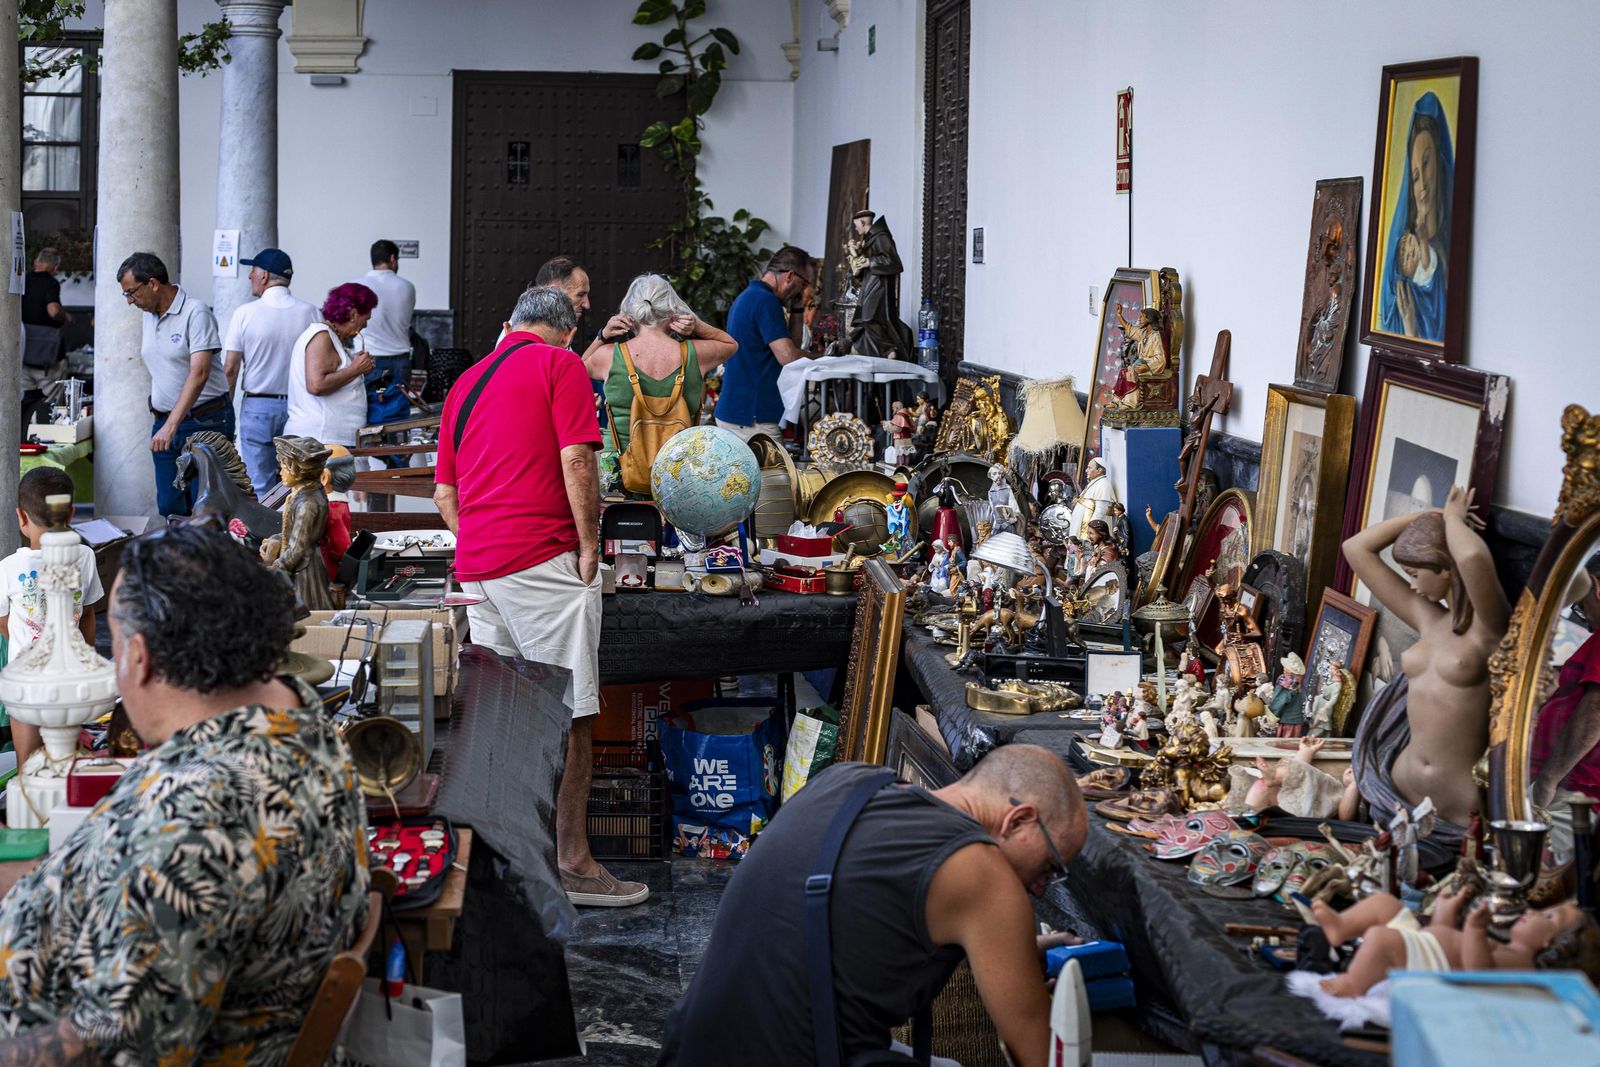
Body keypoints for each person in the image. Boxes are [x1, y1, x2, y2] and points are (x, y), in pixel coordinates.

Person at [0, 524, 368, 1063]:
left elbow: (116, 1046)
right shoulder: (295, 718)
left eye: (116, 645)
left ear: (141, 657)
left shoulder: (195, 824)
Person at [659, 746, 1087, 1067]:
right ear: (1018, 820)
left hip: (689, 1048)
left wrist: (1017, 952)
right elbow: (1040, 1055)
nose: (1040, 889)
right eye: (1050, 866)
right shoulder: (983, 873)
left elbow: (859, 932)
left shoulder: (846, 780)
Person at [434, 285, 647, 908]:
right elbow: (578, 460)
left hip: (478, 567)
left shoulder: (467, 381)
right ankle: (574, 864)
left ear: (512, 323)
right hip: (542, 560)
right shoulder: (561, 365)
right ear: (566, 332)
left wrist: (484, 541)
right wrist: (588, 545)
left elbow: (445, 495)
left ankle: (509, 863)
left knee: (505, 713)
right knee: (574, 710)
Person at [1344, 487, 1508, 841]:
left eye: (1415, 574)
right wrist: (1428, 515)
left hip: (1458, 808)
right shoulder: (1429, 620)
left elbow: (1475, 561)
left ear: (1447, 569)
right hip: (1396, 791)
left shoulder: (1490, 630)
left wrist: (1451, 520)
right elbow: (1356, 549)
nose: (1412, 586)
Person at [0, 467, 101, 770]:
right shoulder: (84, 556)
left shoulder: (8, 568)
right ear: (70, 515)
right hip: (70, 679)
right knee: (65, 765)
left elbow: (2, 621)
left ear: (21, 517)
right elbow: (88, 615)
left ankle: (27, 813)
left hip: (26, 684)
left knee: (27, 769)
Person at [118, 251, 232, 518]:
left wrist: (172, 425)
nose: (130, 301)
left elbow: (200, 372)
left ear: (153, 283)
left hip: (205, 419)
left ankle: (208, 559)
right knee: (170, 504)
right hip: (164, 421)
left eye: (132, 293)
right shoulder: (149, 314)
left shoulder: (196, 312)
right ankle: (179, 558)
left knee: (205, 506)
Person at [581, 273, 736, 459]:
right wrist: (696, 326)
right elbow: (730, 344)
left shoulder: (609, 356)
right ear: (673, 312)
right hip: (677, 470)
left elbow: (579, 367)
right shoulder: (696, 354)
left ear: (630, 313)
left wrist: (603, 336)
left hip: (619, 468)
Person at [221, 247, 321, 492]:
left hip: (258, 408)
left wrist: (227, 412)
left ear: (264, 275)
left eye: (252, 271)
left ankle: (267, 530)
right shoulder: (310, 313)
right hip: (299, 408)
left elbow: (231, 369)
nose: (249, 277)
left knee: (260, 484)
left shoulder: (245, 313)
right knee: (298, 483)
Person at [713, 246, 815, 442]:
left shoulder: (751, 296)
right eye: (804, 284)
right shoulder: (765, 301)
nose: (803, 291)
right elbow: (788, 357)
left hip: (740, 413)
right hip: (752, 419)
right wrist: (822, 358)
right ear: (790, 276)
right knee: (770, 473)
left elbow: (791, 346)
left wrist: (797, 308)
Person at [1378, 92, 1454, 343]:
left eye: (1427, 162)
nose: (1422, 186)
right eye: (1415, 175)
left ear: (1440, 163)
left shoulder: (1446, 252)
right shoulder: (1401, 249)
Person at [1530, 554, 1600, 807]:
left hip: (1573, 790)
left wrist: (1549, 779)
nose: (1589, 624)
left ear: (1597, 588)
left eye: (1581, 607)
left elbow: (1596, 708)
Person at [285, 283, 378, 448]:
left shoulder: (331, 337)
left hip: (329, 440)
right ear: (354, 314)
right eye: (366, 320)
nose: (365, 326)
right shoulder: (322, 336)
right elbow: (316, 385)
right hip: (323, 440)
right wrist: (356, 369)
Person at [354, 239, 417, 389]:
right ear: (393, 259)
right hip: (400, 359)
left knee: (371, 407)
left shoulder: (356, 286)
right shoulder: (407, 287)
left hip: (367, 359)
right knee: (399, 408)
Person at [20, 247, 70, 434]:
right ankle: (48, 440)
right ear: (55, 267)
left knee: (26, 403)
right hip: (48, 358)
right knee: (50, 406)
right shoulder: (50, 283)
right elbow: (54, 311)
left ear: (36, 263)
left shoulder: (22, 280)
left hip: (24, 354)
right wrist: (66, 318)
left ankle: (25, 438)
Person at [1071, 458, 1116, 538]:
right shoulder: (1094, 482)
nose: (1086, 470)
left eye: (1089, 468)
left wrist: (1091, 532)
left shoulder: (1103, 485)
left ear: (1099, 470)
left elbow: (1100, 512)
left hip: (1089, 533)